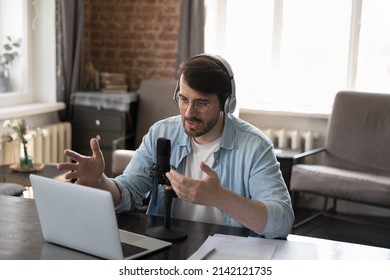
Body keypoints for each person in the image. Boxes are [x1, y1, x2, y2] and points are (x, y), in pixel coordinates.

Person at [57, 54, 294, 239]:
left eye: (201, 103)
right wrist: (100, 182)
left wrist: (221, 198)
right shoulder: (161, 133)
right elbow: (129, 191)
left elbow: (281, 222)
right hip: (168, 249)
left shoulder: (255, 147)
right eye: (183, 99)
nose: (189, 113)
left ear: (227, 103)